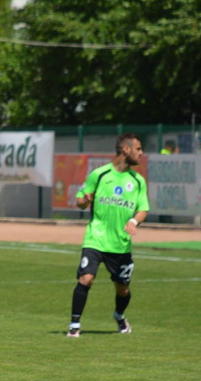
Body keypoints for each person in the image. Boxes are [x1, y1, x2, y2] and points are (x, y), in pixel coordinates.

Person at [66, 133, 149, 338]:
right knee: (86, 278)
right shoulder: (99, 174)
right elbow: (80, 200)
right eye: (138, 149)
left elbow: (143, 209)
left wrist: (133, 221)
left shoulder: (138, 181)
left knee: (123, 289)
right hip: (95, 238)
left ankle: (119, 316)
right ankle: (74, 325)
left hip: (120, 245)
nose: (141, 153)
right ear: (126, 150)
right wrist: (84, 201)